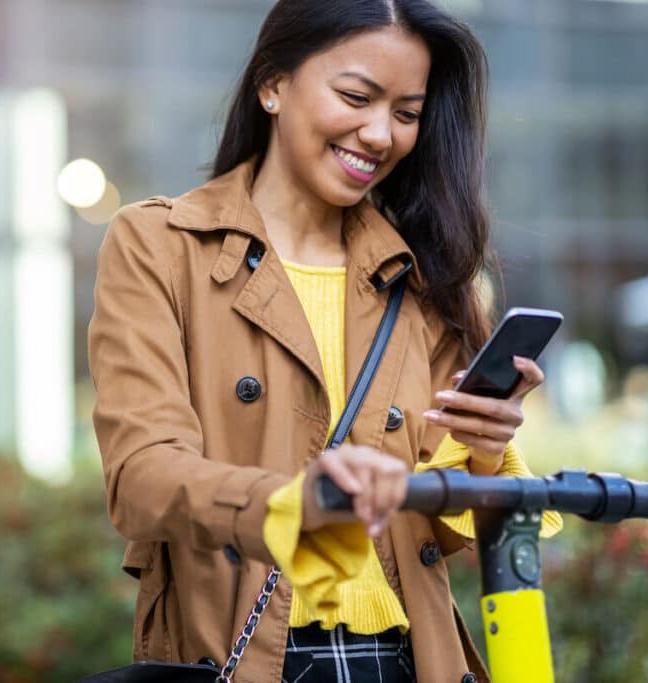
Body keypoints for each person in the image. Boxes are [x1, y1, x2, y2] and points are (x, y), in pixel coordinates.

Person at [88, 1, 561, 681]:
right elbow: (143, 477)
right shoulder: (160, 246)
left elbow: (443, 529)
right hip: (244, 655)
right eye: (356, 98)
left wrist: (483, 449)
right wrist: (291, 506)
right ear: (273, 84)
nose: (380, 134)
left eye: (407, 113)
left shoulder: (418, 275)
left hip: (409, 658)